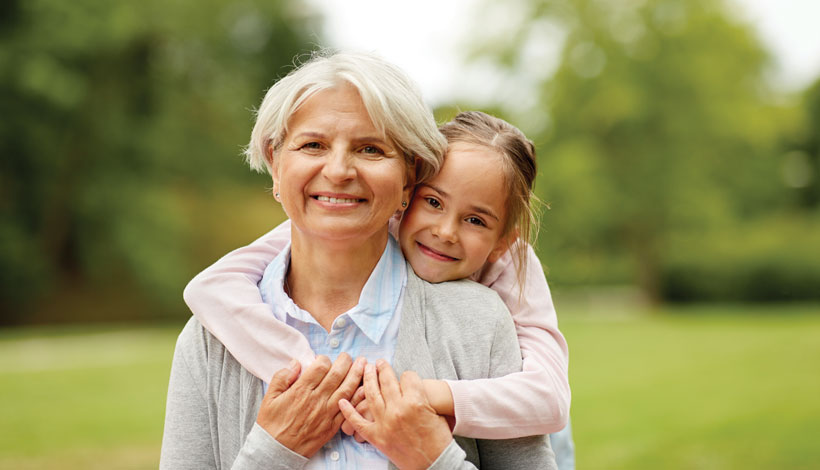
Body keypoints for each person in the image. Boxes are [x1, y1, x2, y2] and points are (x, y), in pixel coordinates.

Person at [160, 51, 555, 469]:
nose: (339, 170)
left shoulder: (478, 322)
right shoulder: (210, 339)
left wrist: (436, 459)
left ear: (409, 176)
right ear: (276, 165)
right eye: (313, 144)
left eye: (370, 149)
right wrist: (272, 452)